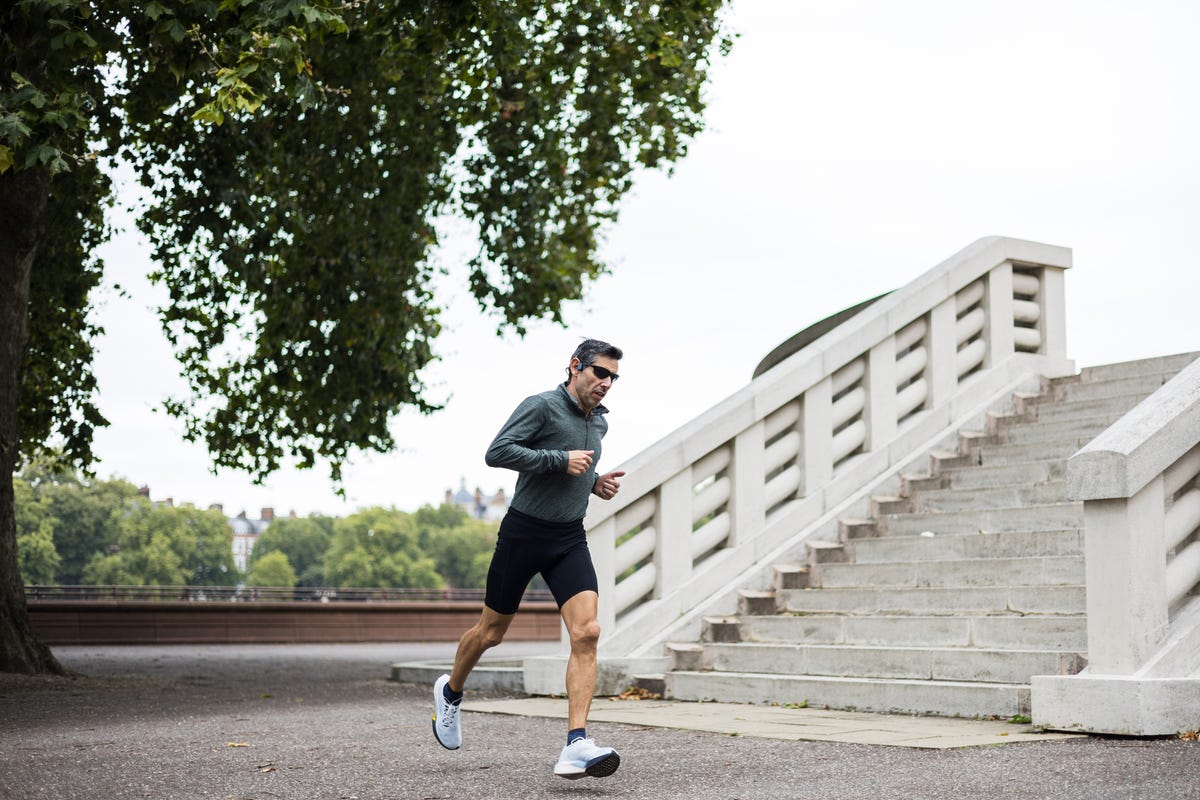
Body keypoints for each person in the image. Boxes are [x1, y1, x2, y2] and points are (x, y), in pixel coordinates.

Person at [432, 338, 627, 779]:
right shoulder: (540, 406)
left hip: (568, 538)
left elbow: (578, 469)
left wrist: (595, 483)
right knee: (491, 632)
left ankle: (576, 744)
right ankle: (451, 691)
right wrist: (560, 460)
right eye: (601, 372)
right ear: (576, 366)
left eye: (614, 377)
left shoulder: (600, 423)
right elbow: (498, 451)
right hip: (523, 533)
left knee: (588, 632)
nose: (607, 383)